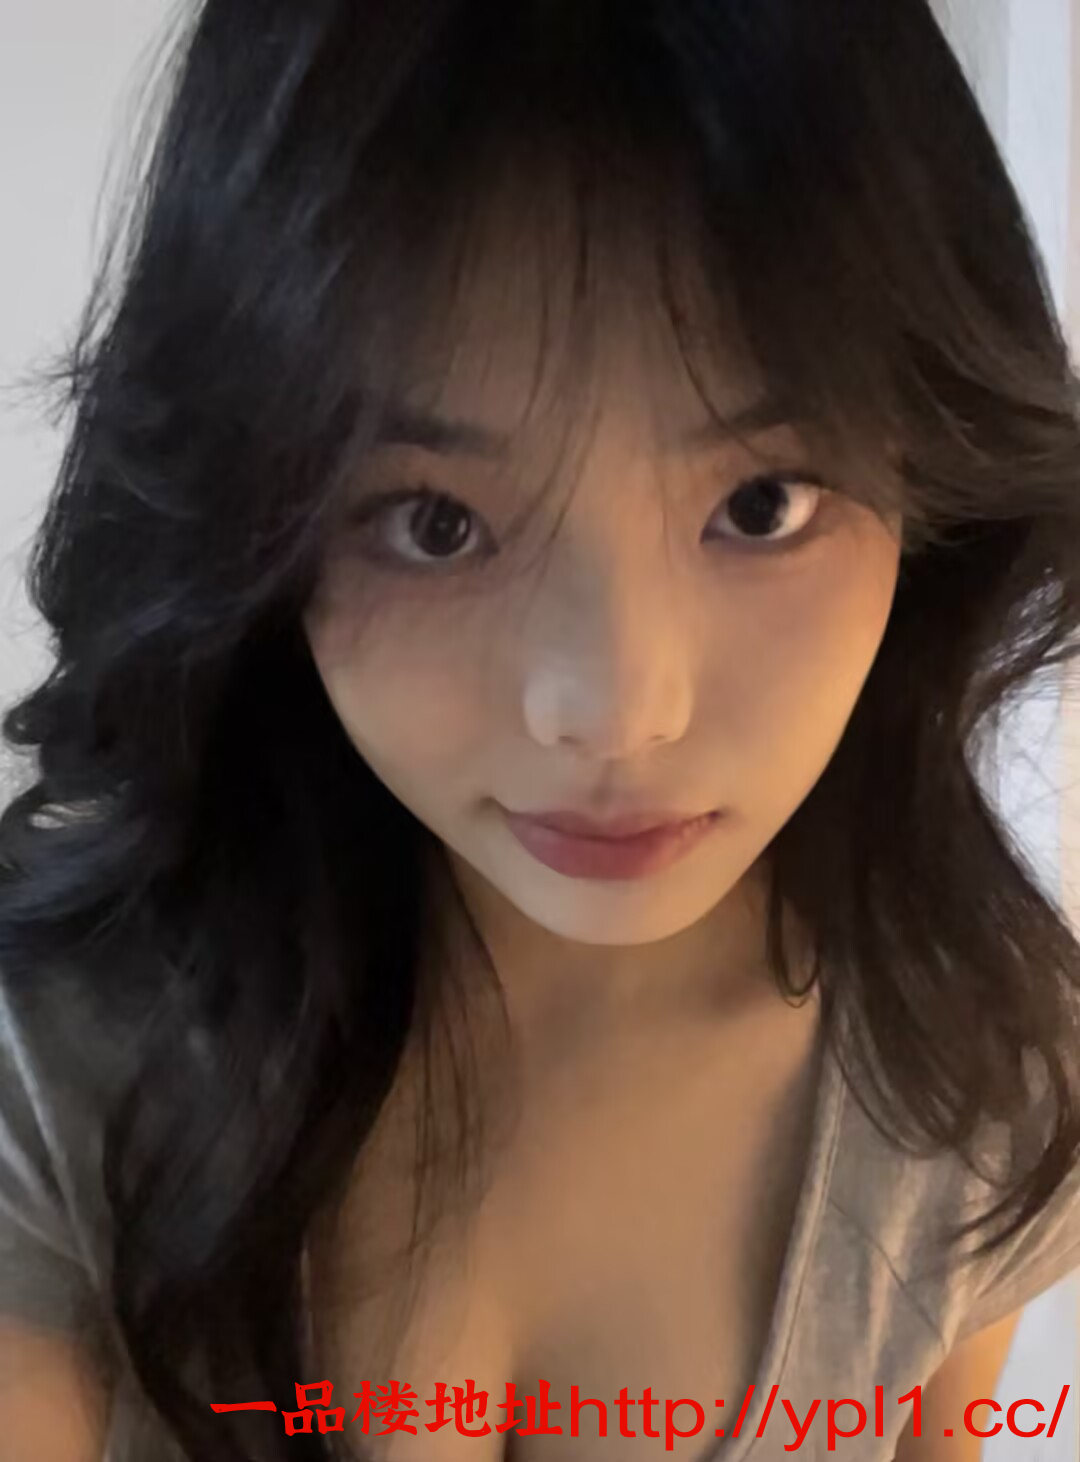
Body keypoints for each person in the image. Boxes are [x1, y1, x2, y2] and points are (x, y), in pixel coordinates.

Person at [3, 1, 1080, 1458]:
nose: (618, 707)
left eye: (761, 503)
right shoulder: (61, 1055)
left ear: (930, 490)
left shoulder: (984, 1074)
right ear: (260, 520)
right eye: (435, 522)